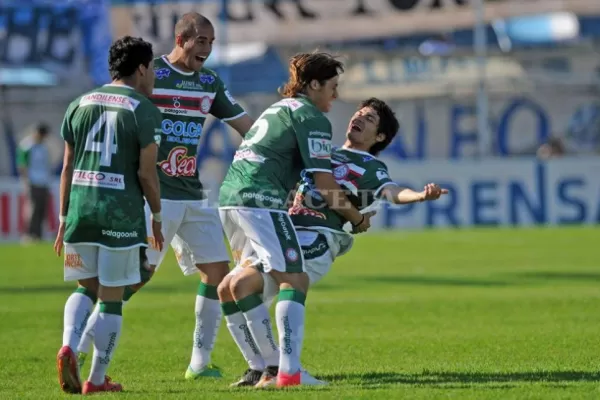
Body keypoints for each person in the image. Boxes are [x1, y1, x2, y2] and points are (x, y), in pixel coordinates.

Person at [218, 97, 448, 387]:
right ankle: (263, 368)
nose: (360, 118)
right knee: (230, 288)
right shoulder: (322, 151)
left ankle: (285, 371)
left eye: (370, 119)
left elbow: (391, 191)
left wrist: (419, 196)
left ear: (379, 137)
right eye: (360, 113)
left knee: (254, 285)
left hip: (315, 237)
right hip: (280, 231)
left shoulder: (371, 167)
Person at [77, 12, 255, 380]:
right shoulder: (149, 74)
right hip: (153, 195)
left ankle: (199, 363)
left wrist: (271, 146)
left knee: (217, 272)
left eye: (211, 42)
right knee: (136, 277)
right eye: (200, 41)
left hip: (192, 192)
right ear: (181, 40)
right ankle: (79, 347)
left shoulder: (209, 81)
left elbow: (245, 126)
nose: (206, 48)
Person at [218, 52, 373, 388]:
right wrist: (357, 218)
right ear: (313, 84)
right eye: (332, 86)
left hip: (230, 199)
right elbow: (324, 183)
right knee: (295, 280)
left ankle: (262, 368)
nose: (335, 94)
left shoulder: (277, 109)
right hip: (260, 201)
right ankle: (288, 372)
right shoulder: (310, 116)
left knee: (236, 285)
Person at [54, 36, 164, 394]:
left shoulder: (79, 103)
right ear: (142, 68)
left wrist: (62, 219)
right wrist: (158, 215)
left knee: (86, 286)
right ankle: (97, 379)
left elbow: (67, 167)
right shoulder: (144, 109)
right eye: (153, 70)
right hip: (118, 215)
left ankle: (69, 344)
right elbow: (147, 174)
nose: (154, 78)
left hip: (80, 211)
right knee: (112, 295)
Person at [17, 122, 52, 243]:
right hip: (32, 181)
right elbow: (22, 165)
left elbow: (45, 166)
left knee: (42, 209)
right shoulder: (27, 146)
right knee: (32, 209)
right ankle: (29, 235)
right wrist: (26, 181)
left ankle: (38, 235)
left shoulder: (43, 147)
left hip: (43, 182)